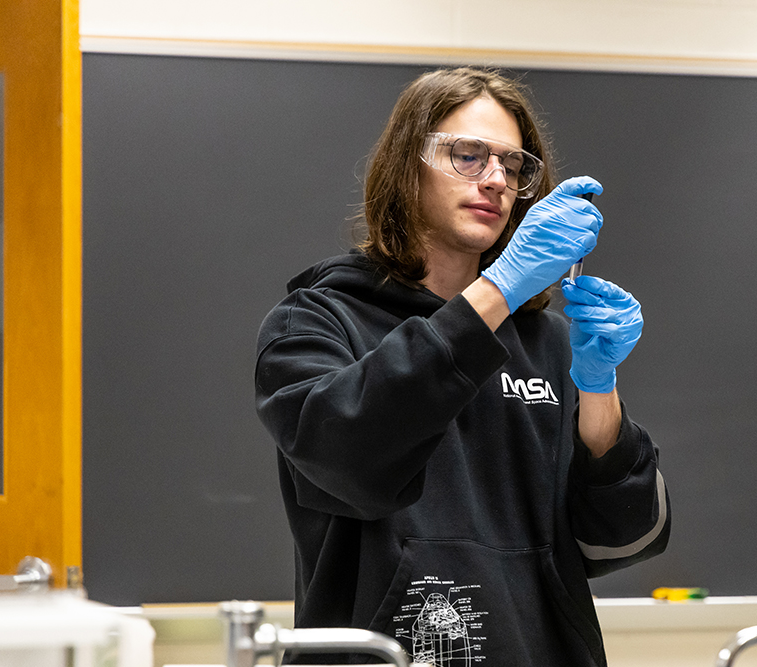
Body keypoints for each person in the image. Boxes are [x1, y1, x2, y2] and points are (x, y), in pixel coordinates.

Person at [255, 66, 670, 666]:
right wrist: (498, 288)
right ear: (407, 167)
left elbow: (619, 538)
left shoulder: (547, 341)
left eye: (513, 164)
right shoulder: (316, 322)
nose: (496, 180)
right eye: (468, 155)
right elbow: (352, 461)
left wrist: (598, 389)